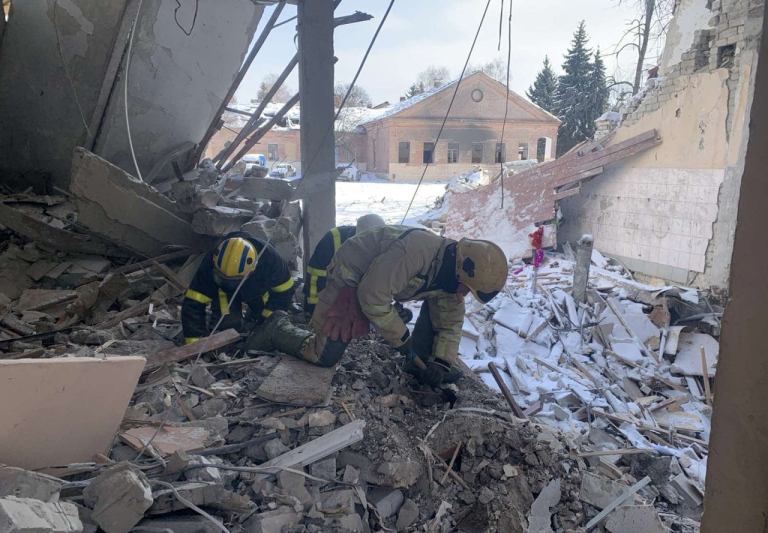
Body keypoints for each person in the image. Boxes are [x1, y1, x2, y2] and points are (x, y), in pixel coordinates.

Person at [250, 225, 508, 387]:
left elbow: (451, 323)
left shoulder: (453, 276)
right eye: (467, 288)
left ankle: (418, 366)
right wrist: (402, 341)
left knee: (439, 312)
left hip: (379, 283)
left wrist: (441, 363)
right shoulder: (417, 250)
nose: (464, 294)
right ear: (463, 270)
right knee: (323, 356)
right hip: (352, 275)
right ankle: (277, 328)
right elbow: (372, 297)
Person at [181, 234, 296, 344]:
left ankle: (255, 318)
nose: (230, 283)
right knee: (228, 325)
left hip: (256, 288)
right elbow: (193, 302)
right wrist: (193, 343)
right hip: (223, 292)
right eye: (223, 277)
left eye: (234, 280)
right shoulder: (211, 261)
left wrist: (265, 320)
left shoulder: (270, 261)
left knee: (264, 323)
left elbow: (284, 292)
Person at [303, 214, 385, 315]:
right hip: (330, 294)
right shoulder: (333, 238)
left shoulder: (386, 244)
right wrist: (313, 307)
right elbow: (316, 275)